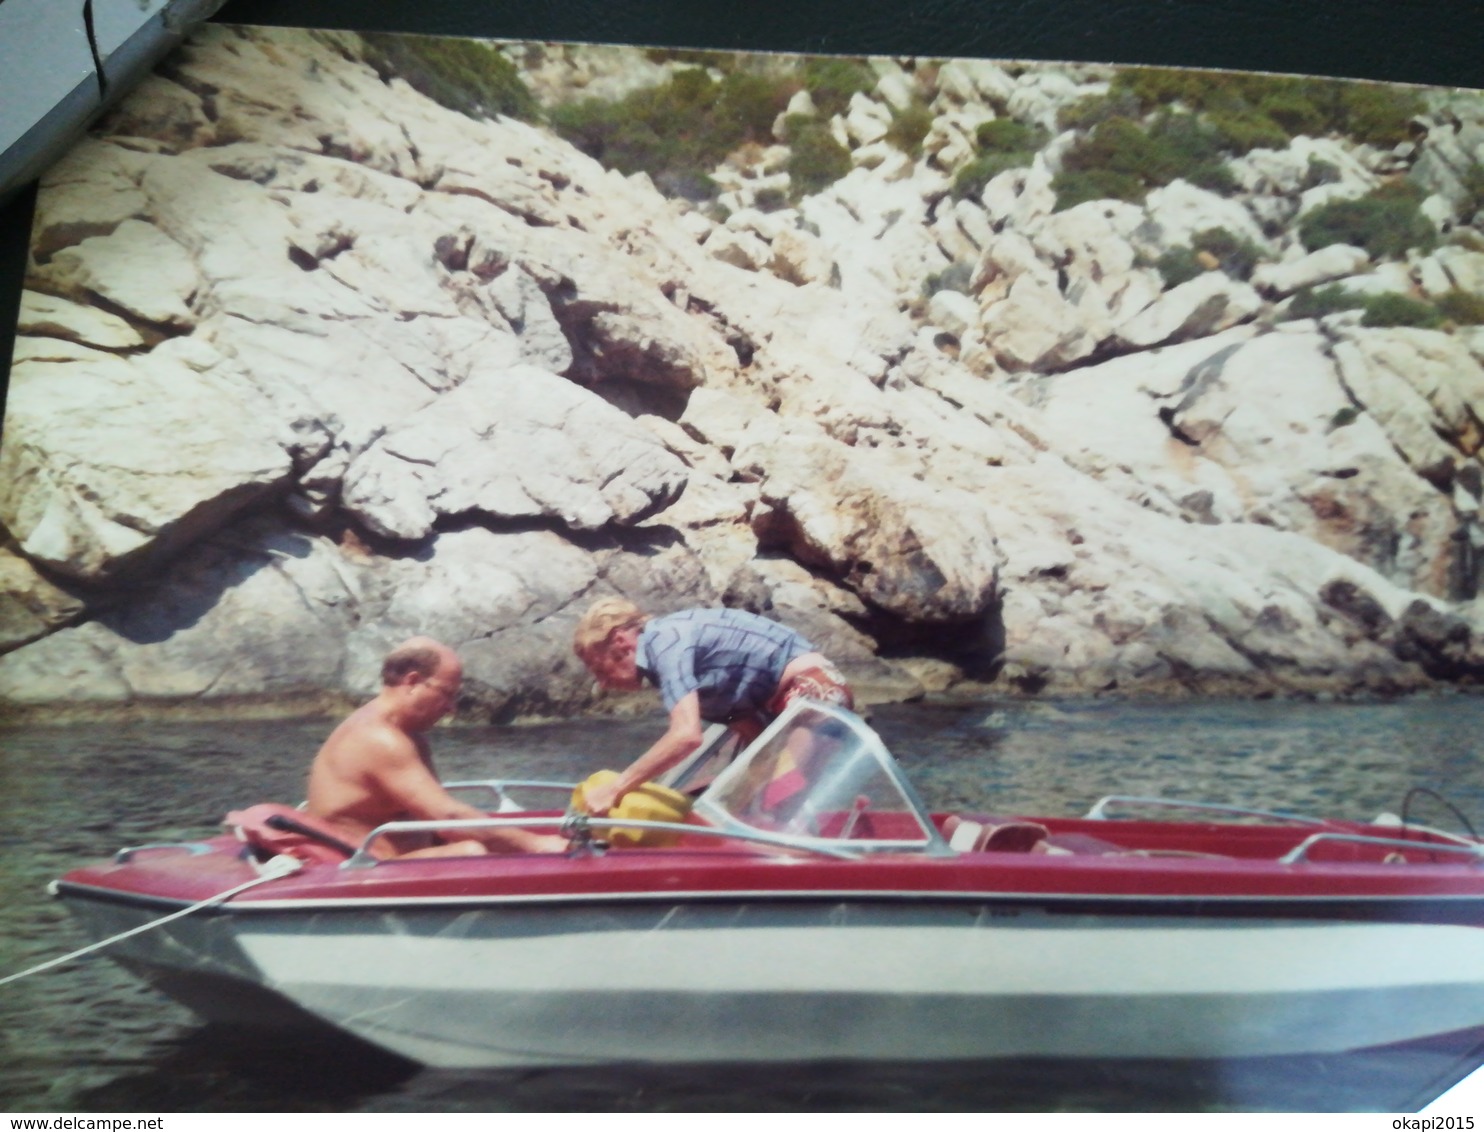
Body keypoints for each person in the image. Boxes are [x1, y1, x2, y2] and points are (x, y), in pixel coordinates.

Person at [572, 600, 854, 815]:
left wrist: (617, 788)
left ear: (620, 641)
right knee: (747, 811)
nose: (603, 683)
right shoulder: (679, 669)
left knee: (776, 807)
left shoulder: (665, 642)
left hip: (814, 695)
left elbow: (686, 736)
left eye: (598, 668)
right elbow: (748, 730)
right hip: (790, 706)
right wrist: (735, 798)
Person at [305, 636, 566, 858]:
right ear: (412, 681)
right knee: (470, 852)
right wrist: (538, 844)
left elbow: (437, 820)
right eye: (447, 693)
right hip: (368, 870)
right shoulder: (378, 739)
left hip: (396, 863)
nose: (451, 708)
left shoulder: (407, 735)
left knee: (475, 845)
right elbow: (448, 818)